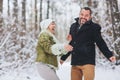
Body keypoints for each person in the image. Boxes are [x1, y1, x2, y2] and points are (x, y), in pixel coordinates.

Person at [60, 7, 116, 80]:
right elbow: (72, 43)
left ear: (90, 16)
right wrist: (63, 57)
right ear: (79, 14)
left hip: (88, 62)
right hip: (75, 62)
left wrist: (109, 55)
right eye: (82, 14)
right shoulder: (73, 26)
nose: (83, 17)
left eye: (86, 15)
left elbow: (100, 42)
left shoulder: (94, 28)